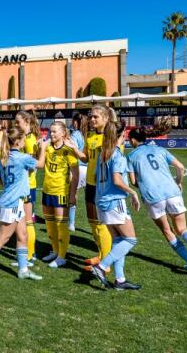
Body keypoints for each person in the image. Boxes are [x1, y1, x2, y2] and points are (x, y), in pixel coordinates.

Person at [0, 126, 46, 282]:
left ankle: (23, 269)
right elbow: (40, 164)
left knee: (22, 235)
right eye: (24, 139)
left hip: (14, 200)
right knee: (3, 237)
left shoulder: (3, 158)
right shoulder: (23, 157)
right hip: (12, 202)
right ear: (19, 141)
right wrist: (43, 148)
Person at [127, 127, 187, 273]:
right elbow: (180, 167)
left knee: (168, 231)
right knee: (182, 228)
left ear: (133, 140)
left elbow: (133, 181)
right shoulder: (160, 149)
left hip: (152, 196)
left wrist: (142, 181)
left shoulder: (131, 156)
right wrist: (179, 182)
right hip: (172, 192)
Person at [90, 121, 142, 290]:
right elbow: (117, 180)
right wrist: (133, 192)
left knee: (118, 240)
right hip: (114, 202)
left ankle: (120, 280)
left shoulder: (103, 153)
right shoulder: (117, 155)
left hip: (102, 201)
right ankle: (102, 266)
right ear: (123, 135)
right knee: (130, 239)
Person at [65, 105, 115, 270]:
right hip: (91, 184)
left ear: (106, 119)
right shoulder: (90, 135)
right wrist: (74, 148)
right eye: (91, 117)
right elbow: (86, 158)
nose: (92, 120)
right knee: (93, 222)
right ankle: (101, 255)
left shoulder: (111, 137)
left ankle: (105, 263)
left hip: (104, 186)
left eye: (96, 117)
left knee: (102, 223)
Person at [40, 122, 79, 268]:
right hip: (46, 190)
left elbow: (75, 175)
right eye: (51, 131)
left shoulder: (68, 150)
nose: (52, 134)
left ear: (63, 133)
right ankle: (56, 251)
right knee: (50, 226)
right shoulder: (48, 147)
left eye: (55, 132)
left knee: (61, 226)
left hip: (61, 192)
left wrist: (72, 194)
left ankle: (62, 256)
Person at [15, 110, 41, 264]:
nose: (16, 124)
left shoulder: (30, 139)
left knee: (27, 221)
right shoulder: (26, 137)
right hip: (23, 184)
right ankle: (27, 252)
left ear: (26, 121)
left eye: (18, 122)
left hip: (28, 185)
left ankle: (30, 254)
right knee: (23, 220)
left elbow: (32, 166)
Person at [67, 113, 88, 232]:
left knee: (73, 195)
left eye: (74, 121)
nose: (73, 123)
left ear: (77, 122)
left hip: (77, 167)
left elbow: (72, 149)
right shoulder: (88, 134)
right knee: (90, 198)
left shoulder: (75, 134)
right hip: (88, 168)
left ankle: (71, 223)